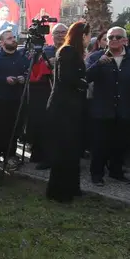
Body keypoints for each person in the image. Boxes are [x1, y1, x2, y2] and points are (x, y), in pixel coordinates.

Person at [85, 27, 130, 185]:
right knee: (100, 144)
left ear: (125, 40)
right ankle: (96, 174)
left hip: (126, 109)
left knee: (121, 143)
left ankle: (116, 171)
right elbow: (85, 78)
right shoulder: (97, 57)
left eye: (117, 37)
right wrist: (98, 64)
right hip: (102, 109)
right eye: (110, 37)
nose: (113, 40)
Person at [46, 21, 89, 203]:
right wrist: (83, 82)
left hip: (71, 107)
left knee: (72, 150)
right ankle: (59, 191)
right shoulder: (67, 51)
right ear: (82, 35)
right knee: (64, 150)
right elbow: (67, 78)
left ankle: (72, 187)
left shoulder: (73, 52)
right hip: (63, 109)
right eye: (88, 35)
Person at [0, 25, 30, 176]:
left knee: (14, 129)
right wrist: (4, 79)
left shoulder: (22, 57)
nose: (13, 40)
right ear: (1, 42)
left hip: (17, 99)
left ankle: (11, 155)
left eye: (13, 37)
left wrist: (23, 77)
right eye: (9, 38)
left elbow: (28, 72)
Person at [28, 22, 65, 169]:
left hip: (65, 93)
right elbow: (34, 69)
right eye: (57, 33)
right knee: (43, 124)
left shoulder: (71, 50)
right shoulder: (45, 51)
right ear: (52, 35)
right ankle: (40, 154)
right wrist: (47, 63)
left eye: (63, 32)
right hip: (44, 92)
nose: (60, 35)